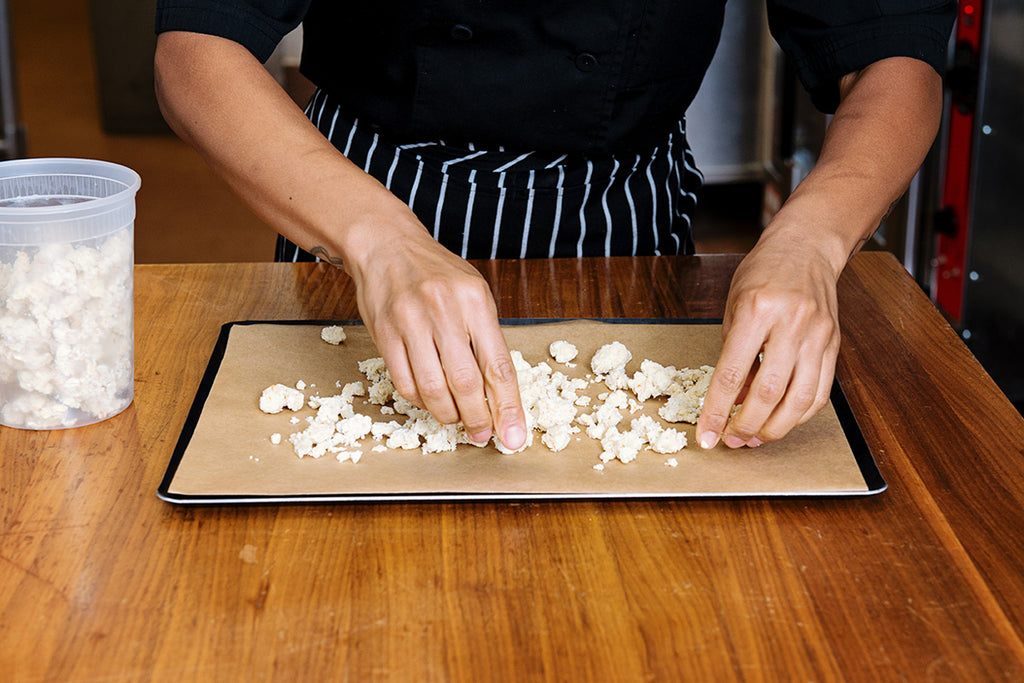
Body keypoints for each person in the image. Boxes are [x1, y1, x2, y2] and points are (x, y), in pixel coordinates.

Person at [153, 1, 956, 452]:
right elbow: (195, 47)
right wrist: (378, 239)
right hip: (356, 202)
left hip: (623, 222)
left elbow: (894, 58)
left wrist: (812, 239)